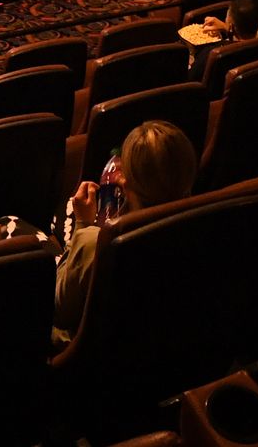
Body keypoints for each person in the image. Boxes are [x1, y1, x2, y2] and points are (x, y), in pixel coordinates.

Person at [53, 121, 197, 344]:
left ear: (124, 185)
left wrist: (83, 225)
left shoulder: (97, 243)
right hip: (181, 350)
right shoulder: (208, 227)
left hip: (96, 363)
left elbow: (59, 309)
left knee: (12, 224)